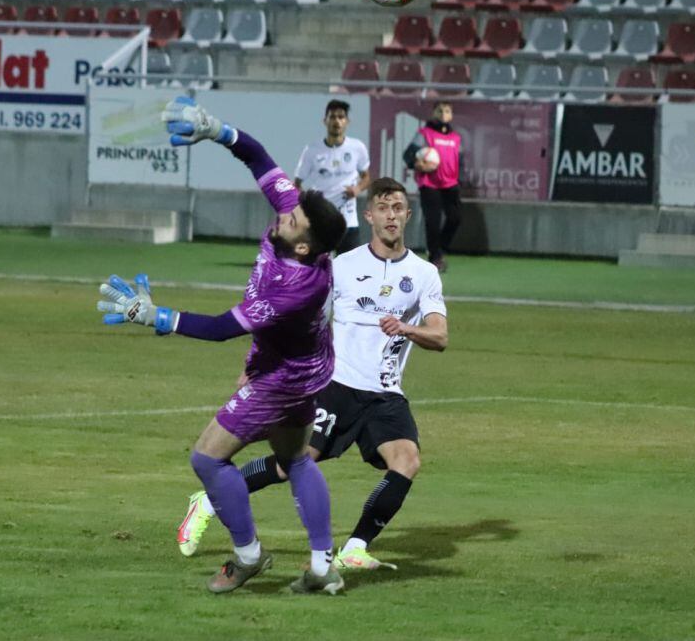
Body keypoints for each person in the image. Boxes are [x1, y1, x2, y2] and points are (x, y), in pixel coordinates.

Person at [98, 96, 348, 595]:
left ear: (303, 247)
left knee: (208, 459)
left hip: (283, 376)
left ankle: (248, 555)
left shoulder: (295, 288)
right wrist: (216, 130)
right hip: (303, 365)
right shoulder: (295, 227)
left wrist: (152, 315)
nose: (284, 213)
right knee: (296, 459)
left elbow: (218, 328)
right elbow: (259, 158)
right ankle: (322, 565)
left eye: (293, 220)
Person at [177, 177, 448, 573]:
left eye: (398, 208)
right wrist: (253, 365)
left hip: (385, 393)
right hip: (335, 383)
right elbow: (294, 320)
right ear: (369, 214)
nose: (391, 215)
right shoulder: (340, 267)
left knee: (406, 460)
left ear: (408, 214)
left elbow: (440, 336)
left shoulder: (424, 274)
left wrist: (408, 328)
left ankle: (354, 547)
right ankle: (206, 500)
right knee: (293, 463)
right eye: (384, 207)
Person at [293, 99, 371, 255]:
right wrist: (310, 204)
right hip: (321, 223)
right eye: (332, 117)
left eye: (341, 117)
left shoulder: (357, 147)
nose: (337, 121)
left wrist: (357, 189)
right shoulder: (312, 150)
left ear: (347, 121)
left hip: (348, 221)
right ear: (325, 121)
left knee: (352, 272)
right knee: (316, 272)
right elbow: (296, 183)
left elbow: (367, 177)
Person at [402, 100, 463, 273]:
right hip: (430, 185)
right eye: (440, 110)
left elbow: (461, 162)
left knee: (455, 218)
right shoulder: (425, 134)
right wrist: (416, 164)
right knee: (433, 221)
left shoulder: (456, 138)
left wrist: (461, 180)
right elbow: (407, 154)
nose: (443, 114)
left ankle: (438, 248)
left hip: (451, 184)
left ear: (451, 115)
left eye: (447, 110)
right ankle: (435, 258)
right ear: (433, 113)